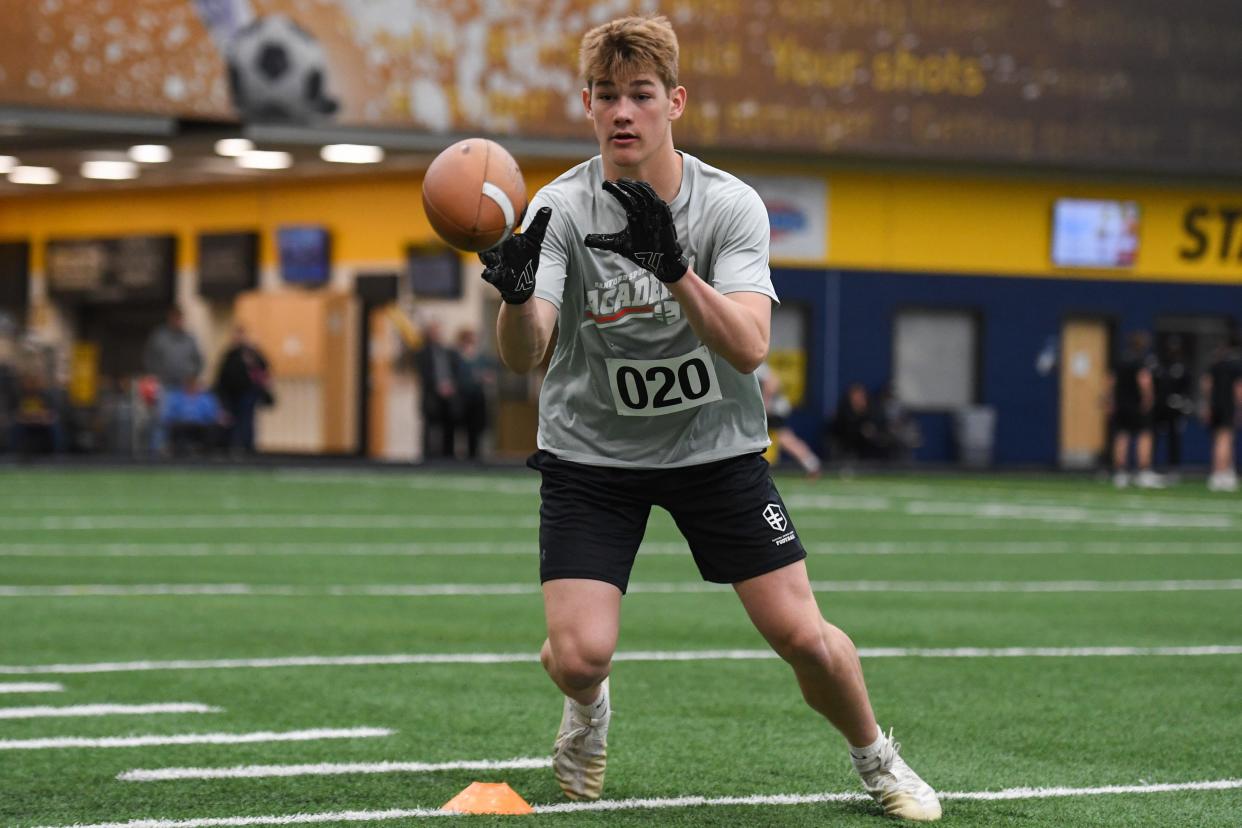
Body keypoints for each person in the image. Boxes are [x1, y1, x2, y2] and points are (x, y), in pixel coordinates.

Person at [476, 15, 940, 821]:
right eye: (608, 96)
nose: (624, 112)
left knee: (801, 635)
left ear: (674, 102)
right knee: (580, 655)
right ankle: (588, 708)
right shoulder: (558, 207)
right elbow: (527, 353)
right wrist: (517, 297)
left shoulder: (729, 206)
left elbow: (751, 346)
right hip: (593, 454)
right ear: (586, 105)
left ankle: (879, 759)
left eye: (641, 96)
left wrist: (676, 269)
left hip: (714, 449)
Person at [1105, 331, 1163, 489]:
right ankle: (1143, 472)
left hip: (1121, 404)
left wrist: (1110, 400)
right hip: (1137, 405)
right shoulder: (1141, 361)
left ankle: (1120, 474)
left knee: (1122, 436)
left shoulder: (1120, 360)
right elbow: (1144, 380)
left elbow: (1110, 381)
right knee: (1144, 435)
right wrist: (1148, 398)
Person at [143, 307, 203, 455]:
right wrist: (154, 374)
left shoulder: (189, 339)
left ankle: (179, 451)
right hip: (164, 384)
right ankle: (156, 450)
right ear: (170, 319)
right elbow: (149, 357)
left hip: (184, 386)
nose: (178, 322)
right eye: (175, 319)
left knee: (182, 418)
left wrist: (193, 377)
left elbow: (199, 361)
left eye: (180, 319)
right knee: (161, 417)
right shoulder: (159, 337)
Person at [214, 325, 272, 455]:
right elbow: (222, 375)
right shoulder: (229, 354)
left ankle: (248, 447)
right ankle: (229, 447)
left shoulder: (252, 353)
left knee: (247, 420)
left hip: (247, 393)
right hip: (230, 394)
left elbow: (264, 368)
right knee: (230, 422)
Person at [756, 361, 821, 477]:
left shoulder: (754, 364)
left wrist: (764, 404)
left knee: (784, 438)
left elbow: (772, 382)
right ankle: (811, 463)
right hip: (770, 409)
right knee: (781, 438)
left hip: (773, 410)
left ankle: (811, 463)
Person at [413, 320, 462, 460]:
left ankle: (449, 456)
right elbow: (423, 373)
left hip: (449, 395)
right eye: (433, 332)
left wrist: (451, 386)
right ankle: (427, 457)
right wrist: (438, 386)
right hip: (431, 396)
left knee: (449, 426)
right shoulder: (422, 353)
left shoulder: (449, 351)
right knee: (430, 427)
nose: (437, 334)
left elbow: (456, 371)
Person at [1201, 332, 1242, 492]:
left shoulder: (1215, 364)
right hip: (1227, 405)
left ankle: (1226, 472)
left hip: (1215, 405)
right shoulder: (1236, 365)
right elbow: (1239, 388)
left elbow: (1206, 385)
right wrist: (1239, 406)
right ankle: (1219, 474)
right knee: (1224, 439)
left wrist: (1208, 404)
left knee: (1219, 439)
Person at [453, 328, 496, 460]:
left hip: (477, 397)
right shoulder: (456, 356)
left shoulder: (481, 357)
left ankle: (475, 455)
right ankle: (460, 456)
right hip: (462, 397)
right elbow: (456, 376)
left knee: (476, 428)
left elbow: (492, 371)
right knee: (461, 429)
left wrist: (486, 377)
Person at [1153, 336, 1193, 477]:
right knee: (1154, 437)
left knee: (1174, 439)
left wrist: (1183, 401)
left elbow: (1187, 388)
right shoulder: (1160, 365)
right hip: (1160, 408)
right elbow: (1155, 386)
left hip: (1176, 409)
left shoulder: (1182, 366)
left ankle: (1173, 469)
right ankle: (1151, 467)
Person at [828, 382, 885, 462]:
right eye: (855, 396)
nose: (858, 398)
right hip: (848, 445)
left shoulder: (871, 409)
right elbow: (840, 430)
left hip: (868, 446)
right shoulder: (844, 411)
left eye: (861, 396)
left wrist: (871, 430)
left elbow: (878, 425)